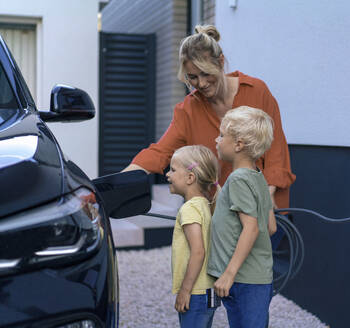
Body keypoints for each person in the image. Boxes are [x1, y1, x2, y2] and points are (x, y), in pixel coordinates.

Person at [123, 24, 295, 209]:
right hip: (220, 215)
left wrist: (266, 198)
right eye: (193, 77)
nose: (201, 83)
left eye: (206, 73)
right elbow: (159, 153)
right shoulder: (188, 109)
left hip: (265, 206)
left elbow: (276, 151)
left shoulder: (256, 92)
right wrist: (117, 182)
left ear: (220, 62)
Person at [208, 106, 277, 328]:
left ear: (238, 144)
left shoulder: (238, 179)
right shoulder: (258, 177)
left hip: (243, 279)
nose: (216, 139)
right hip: (257, 278)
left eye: (221, 135)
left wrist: (228, 274)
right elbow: (271, 227)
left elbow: (252, 228)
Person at [166, 145, 221, 328]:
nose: (167, 174)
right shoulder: (205, 204)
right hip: (207, 291)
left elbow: (198, 252)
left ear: (190, 177)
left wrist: (185, 290)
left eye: (173, 170)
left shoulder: (189, 209)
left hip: (196, 293)